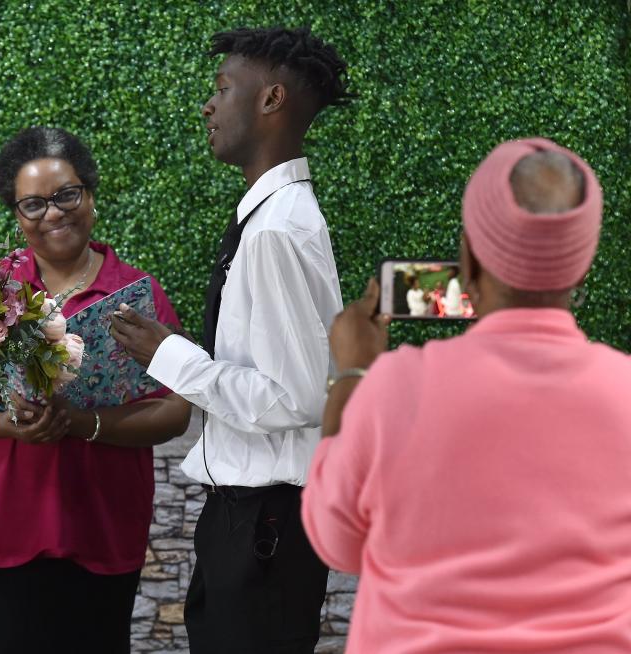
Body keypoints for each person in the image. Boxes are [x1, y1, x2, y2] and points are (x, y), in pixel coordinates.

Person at [301, 138, 631, 652]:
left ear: (469, 259)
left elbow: (335, 540)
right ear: (580, 265)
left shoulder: (396, 389)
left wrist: (351, 373)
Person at [111, 27, 352, 653]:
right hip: (255, 520)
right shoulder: (276, 216)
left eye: (222, 89)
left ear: (271, 99)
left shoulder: (276, 228)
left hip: (263, 524)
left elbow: (294, 398)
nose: (208, 105)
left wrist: (167, 354)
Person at [0, 127, 192, 654]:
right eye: (32, 204)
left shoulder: (135, 296)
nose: (52, 213)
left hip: (99, 531)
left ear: (91, 196)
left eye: (66, 195)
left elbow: (174, 411)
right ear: (16, 215)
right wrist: (19, 424)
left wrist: (81, 424)